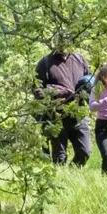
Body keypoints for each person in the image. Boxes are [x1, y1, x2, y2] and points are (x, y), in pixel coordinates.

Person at [34, 36, 92, 167]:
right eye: (60, 41)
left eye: (67, 41)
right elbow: (37, 88)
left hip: (78, 113)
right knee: (59, 157)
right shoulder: (45, 62)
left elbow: (89, 80)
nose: (64, 45)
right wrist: (55, 93)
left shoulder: (79, 59)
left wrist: (87, 92)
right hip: (56, 115)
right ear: (55, 42)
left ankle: (72, 173)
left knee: (85, 151)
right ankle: (62, 181)